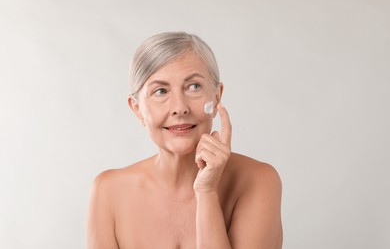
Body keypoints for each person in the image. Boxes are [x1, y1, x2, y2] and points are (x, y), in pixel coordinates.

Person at [87, 32, 283, 249]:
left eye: (194, 87)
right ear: (137, 109)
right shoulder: (108, 191)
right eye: (160, 91)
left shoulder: (258, 181)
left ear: (216, 97)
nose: (180, 107)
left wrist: (206, 192)